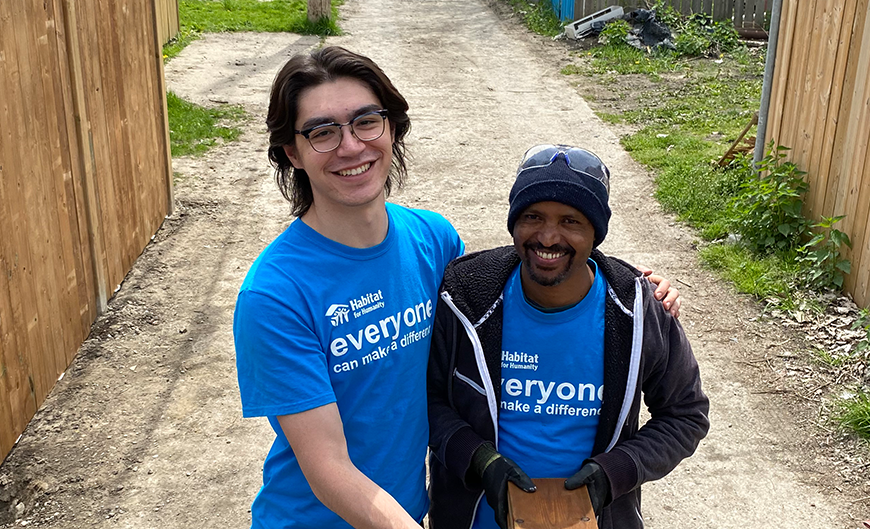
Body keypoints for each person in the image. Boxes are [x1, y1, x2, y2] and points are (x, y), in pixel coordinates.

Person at [233, 47, 681, 529]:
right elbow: (328, 468)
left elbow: (507, 284)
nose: (350, 146)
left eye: (366, 121)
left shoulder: (433, 239)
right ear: (292, 152)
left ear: (391, 128)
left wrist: (635, 288)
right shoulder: (275, 294)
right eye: (322, 132)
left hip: (407, 511)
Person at [426, 145, 709, 529]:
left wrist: (614, 473)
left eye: (571, 221)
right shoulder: (466, 296)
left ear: (596, 233)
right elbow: (429, 399)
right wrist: (478, 461)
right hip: (475, 518)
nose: (547, 236)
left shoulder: (637, 310)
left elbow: (685, 415)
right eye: (532, 216)